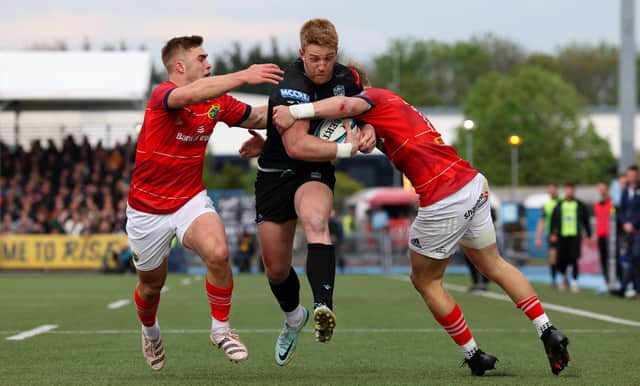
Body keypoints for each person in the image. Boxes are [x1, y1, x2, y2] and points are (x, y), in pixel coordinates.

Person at [271, 67, 571, 376]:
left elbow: (347, 107)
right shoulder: (390, 110)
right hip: (471, 183)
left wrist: (297, 111)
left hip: (443, 197)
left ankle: (473, 355)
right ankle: (547, 329)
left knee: (425, 280)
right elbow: (358, 131)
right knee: (493, 263)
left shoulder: (371, 97)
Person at [126, 35, 283, 370]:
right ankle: (150, 332)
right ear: (180, 66)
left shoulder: (217, 101)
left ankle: (221, 330)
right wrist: (243, 75)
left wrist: (307, 108)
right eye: (202, 58)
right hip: (146, 210)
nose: (208, 64)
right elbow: (190, 94)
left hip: (189, 200)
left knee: (219, 252)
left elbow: (257, 117)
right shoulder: (163, 95)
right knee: (151, 287)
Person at [240, 18, 363, 367]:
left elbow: (365, 105)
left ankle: (324, 306)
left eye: (327, 58)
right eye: (314, 58)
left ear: (336, 54)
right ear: (301, 54)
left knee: (315, 220)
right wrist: (346, 150)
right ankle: (295, 316)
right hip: (276, 173)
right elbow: (296, 147)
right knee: (276, 270)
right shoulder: (290, 84)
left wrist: (368, 130)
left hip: (314, 172)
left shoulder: (348, 78)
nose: (321, 66)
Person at [549, 182, 592, 293]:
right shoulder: (559, 205)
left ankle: (574, 281)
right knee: (561, 259)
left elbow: (586, 220)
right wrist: (553, 233)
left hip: (575, 236)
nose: (569, 192)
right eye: (567, 190)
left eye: (571, 190)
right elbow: (553, 221)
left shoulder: (580, 205)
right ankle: (563, 278)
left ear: (574, 191)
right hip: (562, 236)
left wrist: (588, 234)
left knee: (574, 259)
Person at [619, 165, 640, 298]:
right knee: (630, 258)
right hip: (628, 230)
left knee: (637, 256)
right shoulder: (626, 191)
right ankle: (630, 287)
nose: (631, 177)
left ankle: (632, 287)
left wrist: (633, 224)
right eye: (629, 175)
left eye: (633, 175)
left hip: (638, 229)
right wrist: (625, 223)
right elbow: (621, 210)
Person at [535, 183, 560, 288]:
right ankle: (554, 279)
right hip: (551, 235)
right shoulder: (547, 204)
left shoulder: (562, 201)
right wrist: (538, 237)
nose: (551, 190)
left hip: (563, 234)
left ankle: (565, 278)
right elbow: (542, 221)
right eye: (549, 188)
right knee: (553, 257)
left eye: (553, 188)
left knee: (563, 257)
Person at [593, 181, 614, 288]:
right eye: (599, 189)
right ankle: (607, 282)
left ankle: (615, 280)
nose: (601, 191)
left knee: (613, 260)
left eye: (603, 188)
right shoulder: (596, 205)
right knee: (603, 259)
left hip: (611, 236)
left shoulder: (613, 204)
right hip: (601, 236)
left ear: (607, 189)